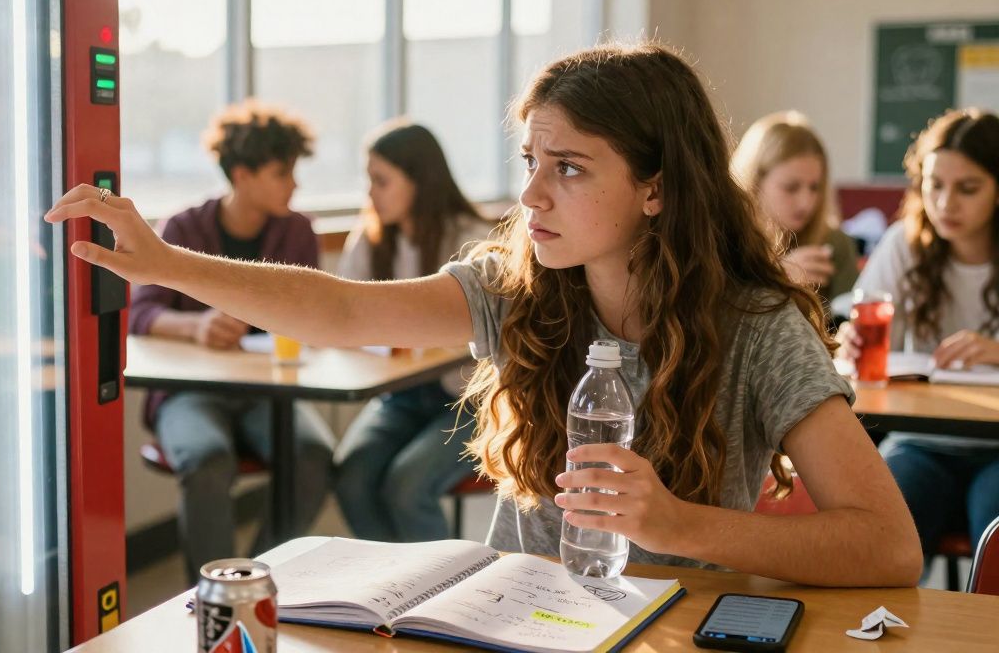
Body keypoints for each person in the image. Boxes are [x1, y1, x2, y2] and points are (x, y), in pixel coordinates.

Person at [51, 41, 920, 587]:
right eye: (530, 159)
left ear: (657, 188)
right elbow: (342, 312)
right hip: (517, 614)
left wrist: (675, 524)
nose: (531, 194)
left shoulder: (757, 326)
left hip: (675, 624)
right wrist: (163, 263)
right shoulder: (521, 289)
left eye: (569, 167)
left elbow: (887, 547)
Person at [125, 100, 336, 581]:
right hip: (191, 392)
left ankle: (255, 582)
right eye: (282, 172)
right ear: (242, 174)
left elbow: (315, 312)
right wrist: (196, 326)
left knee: (312, 456)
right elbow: (141, 313)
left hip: (272, 392)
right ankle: (209, 602)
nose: (295, 184)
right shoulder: (182, 228)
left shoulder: (297, 232)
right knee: (205, 461)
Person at [840, 108, 999, 574]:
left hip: (996, 448)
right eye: (935, 185)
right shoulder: (902, 245)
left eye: (968, 188)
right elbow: (866, 329)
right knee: (879, 529)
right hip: (921, 441)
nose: (947, 202)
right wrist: (852, 343)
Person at [333, 120, 496, 541]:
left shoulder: (472, 241)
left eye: (381, 181)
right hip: (402, 397)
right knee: (351, 476)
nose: (370, 193)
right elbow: (343, 314)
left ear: (419, 182)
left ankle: (447, 591)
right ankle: (393, 585)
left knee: (407, 487)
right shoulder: (370, 239)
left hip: (470, 401)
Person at [731, 111, 860, 306]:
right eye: (791, 188)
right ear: (754, 183)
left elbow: (848, 320)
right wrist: (778, 279)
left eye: (815, 187)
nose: (806, 203)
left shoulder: (835, 243)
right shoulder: (726, 240)